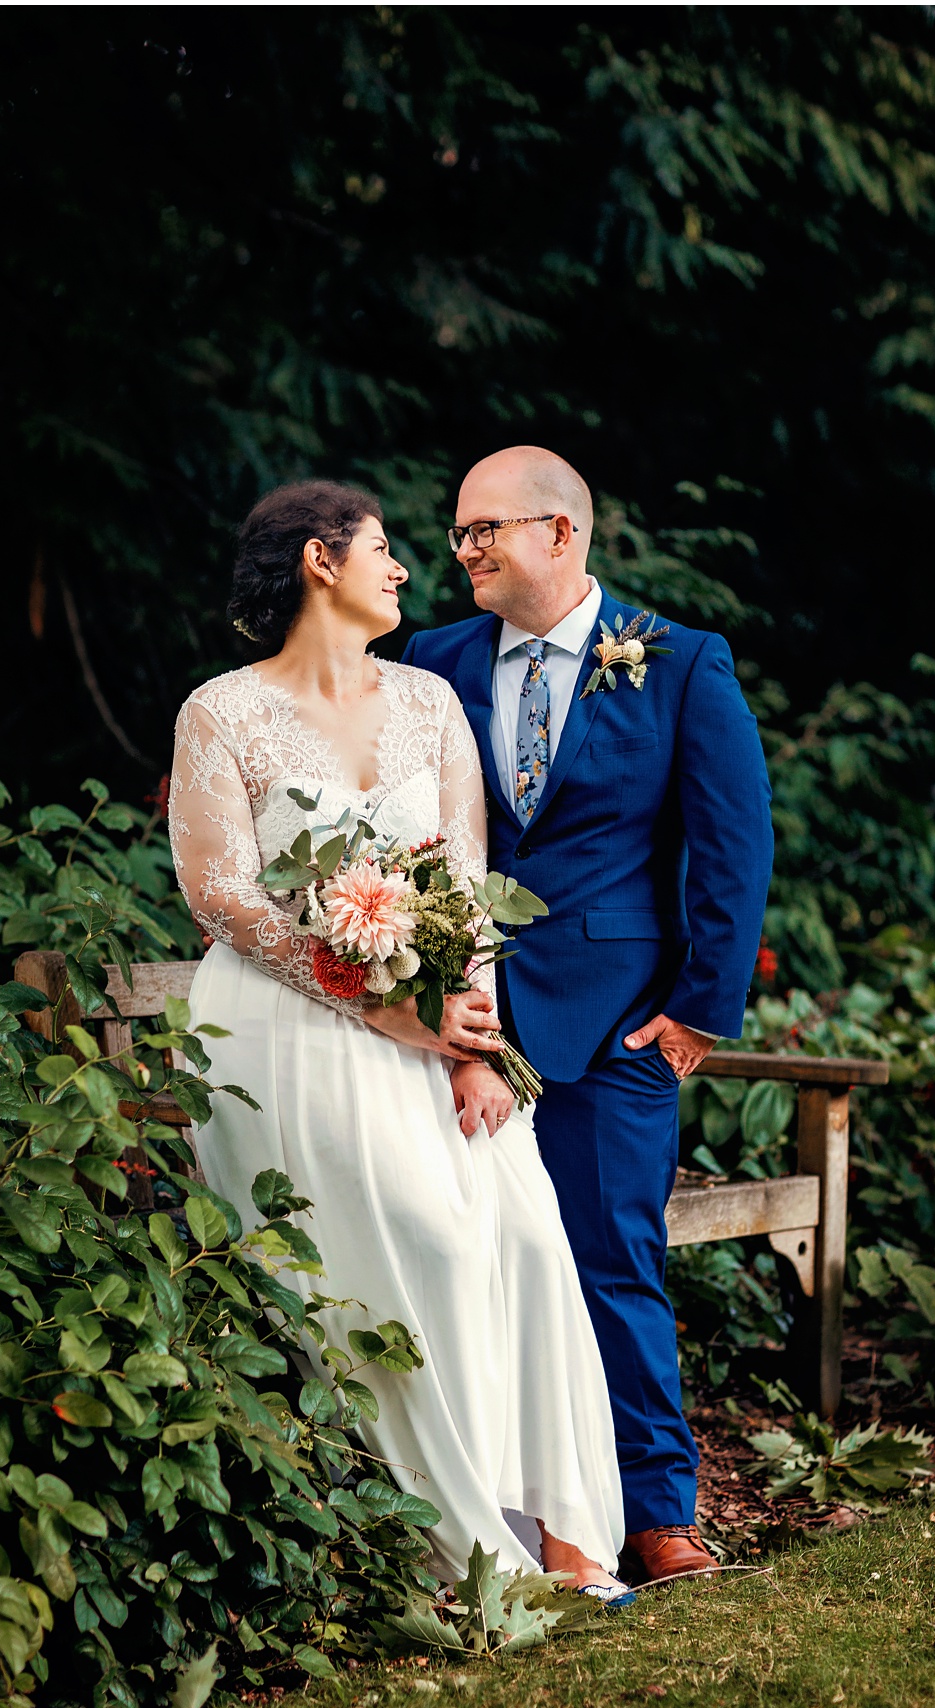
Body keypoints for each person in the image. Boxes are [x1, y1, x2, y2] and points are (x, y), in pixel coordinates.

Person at [167, 479, 630, 1598]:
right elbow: (221, 893)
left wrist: (469, 1036)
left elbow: (463, 882)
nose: (408, 568)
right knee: (437, 1234)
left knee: (523, 1231)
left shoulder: (429, 702)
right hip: (283, 1028)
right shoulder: (220, 712)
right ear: (320, 562)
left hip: (430, 1028)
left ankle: (565, 1538)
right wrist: (374, 1001)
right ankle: (465, 1548)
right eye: (382, 548)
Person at [402, 446, 774, 1584]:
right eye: (459, 532)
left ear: (561, 535)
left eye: (486, 530)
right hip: (456, 1024)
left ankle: (658, 1513)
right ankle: (517, 1509)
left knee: (613, 1260)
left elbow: (733, 843)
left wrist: (697, 1017)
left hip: (614, 1029)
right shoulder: (433, 662)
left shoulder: (679, 664)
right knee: (468, 1260)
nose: (463, 550)